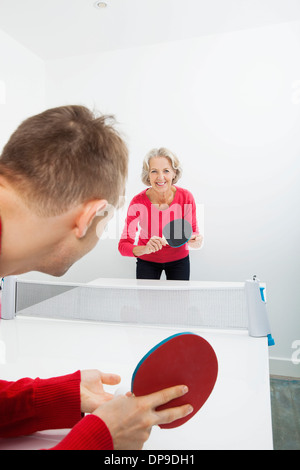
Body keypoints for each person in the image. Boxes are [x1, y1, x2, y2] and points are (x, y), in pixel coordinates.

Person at [0, 106, 193, 450]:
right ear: (88, 217)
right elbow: (126, 245)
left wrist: (58, 395)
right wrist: (102, 437)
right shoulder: (138, 203)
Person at [118, 148, 203, 280]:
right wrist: (145, 249)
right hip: (147, 261)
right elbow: (123, 246)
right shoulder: (137, 202)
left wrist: (195, 241)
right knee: (147, 301)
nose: (160, 177)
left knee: (179, 301)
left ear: (174, 173)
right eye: (154, 171)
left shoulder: (186, 197)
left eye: (166, 171)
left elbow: (192, 232)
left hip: (179, 261)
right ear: (148, 175)